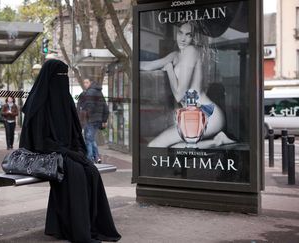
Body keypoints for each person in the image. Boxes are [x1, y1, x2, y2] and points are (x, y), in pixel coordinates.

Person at [19, 59, 121, 243]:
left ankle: (92, 227)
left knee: (90, 171)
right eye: (61, 76)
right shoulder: (38, 101)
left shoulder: (65, 99)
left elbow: (75, 132)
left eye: (66, 76)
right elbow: (39, 141)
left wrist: (78, 151)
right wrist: (66, 152)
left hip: (65, 151)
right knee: (75, 173)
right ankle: (75, 230)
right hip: (44, 152)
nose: (63, 80)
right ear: (51, 77)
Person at [140, 21, 234, 148]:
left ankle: (218, 140)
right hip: (192, 114)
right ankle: (217, 140)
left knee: (155, 145)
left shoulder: (191, 51)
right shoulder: (176, 55)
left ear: (194, 37)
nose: (183, 38)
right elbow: (148, 65)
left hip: (207, 115)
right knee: (173, 147)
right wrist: (128, 59)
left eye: (188, 35)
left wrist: (169, 70)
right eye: (180, 33)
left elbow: (179, 95)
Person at [79, 78, 109, 163]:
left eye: (86, 82)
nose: (85, 84)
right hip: (97, 120)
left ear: (91, 83)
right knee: (91, 138)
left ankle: (90, 158)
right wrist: (104, 120)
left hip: (91, 119)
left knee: (88, 139)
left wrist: (85, 114)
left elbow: (89, 106)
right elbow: (105, 108)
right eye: (84, 82)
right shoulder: (99, 92)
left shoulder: (89, 92)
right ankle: (97, 157)